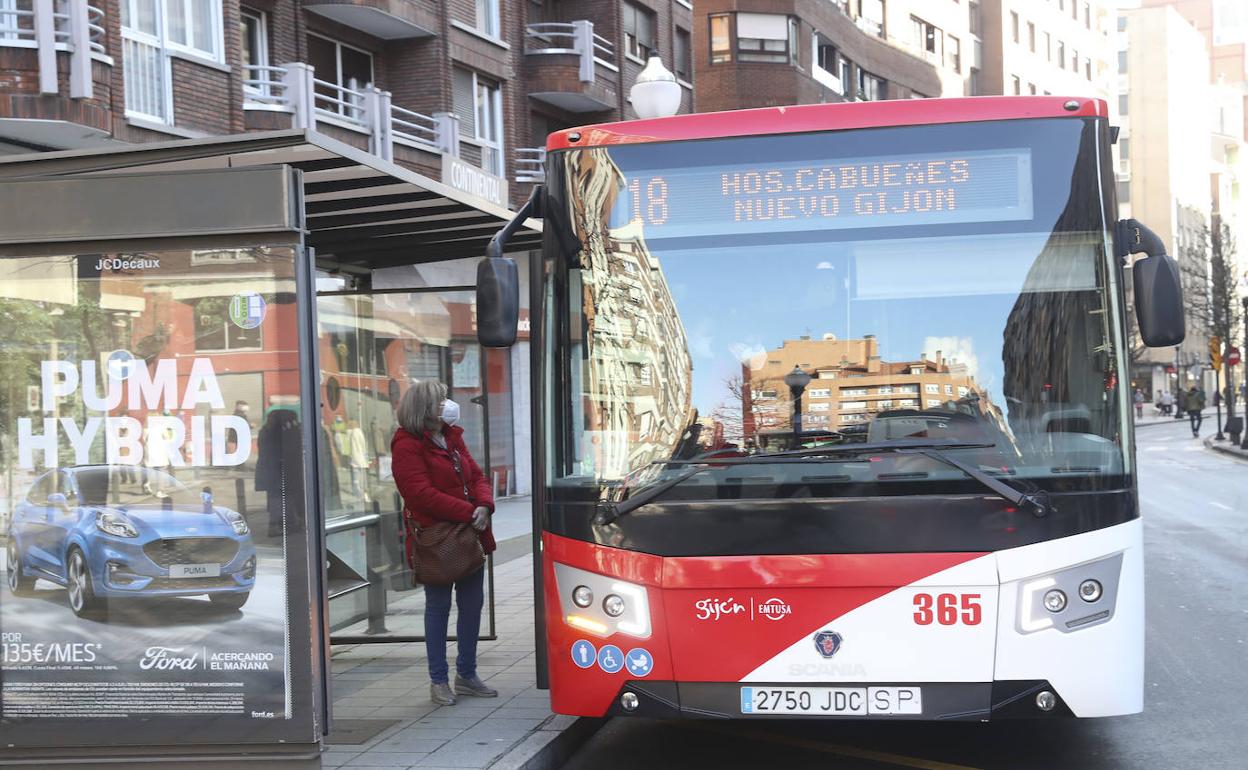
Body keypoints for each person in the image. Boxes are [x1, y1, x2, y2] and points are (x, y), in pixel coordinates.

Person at [391, 380, 497, 706]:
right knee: (438, 608)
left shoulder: (451, 436)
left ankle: (467, 674)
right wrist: (469, 511)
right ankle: (438, 680)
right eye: (441, 400)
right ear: (425, 408)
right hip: (437, 540)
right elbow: (420, 494)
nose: (447, 404)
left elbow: (477, 475)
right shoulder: (407, 445)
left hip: (467, 536)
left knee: (471, 606)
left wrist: (484, 505)